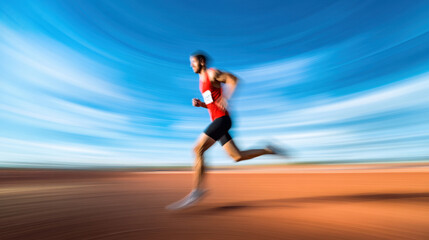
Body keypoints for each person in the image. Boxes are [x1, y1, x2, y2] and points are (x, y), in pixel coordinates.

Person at [166, 52, 285, 210]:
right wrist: (201, 104)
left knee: (197, 149)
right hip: (218, 121)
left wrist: (227, 97)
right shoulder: (201, 82)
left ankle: (197, 191)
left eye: (193, 62)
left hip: (222, 120)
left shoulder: (211, 73)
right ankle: (267, 149)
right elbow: (212, 103)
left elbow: (233, 80)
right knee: (237, 156)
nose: (191, 65)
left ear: (201, 61)